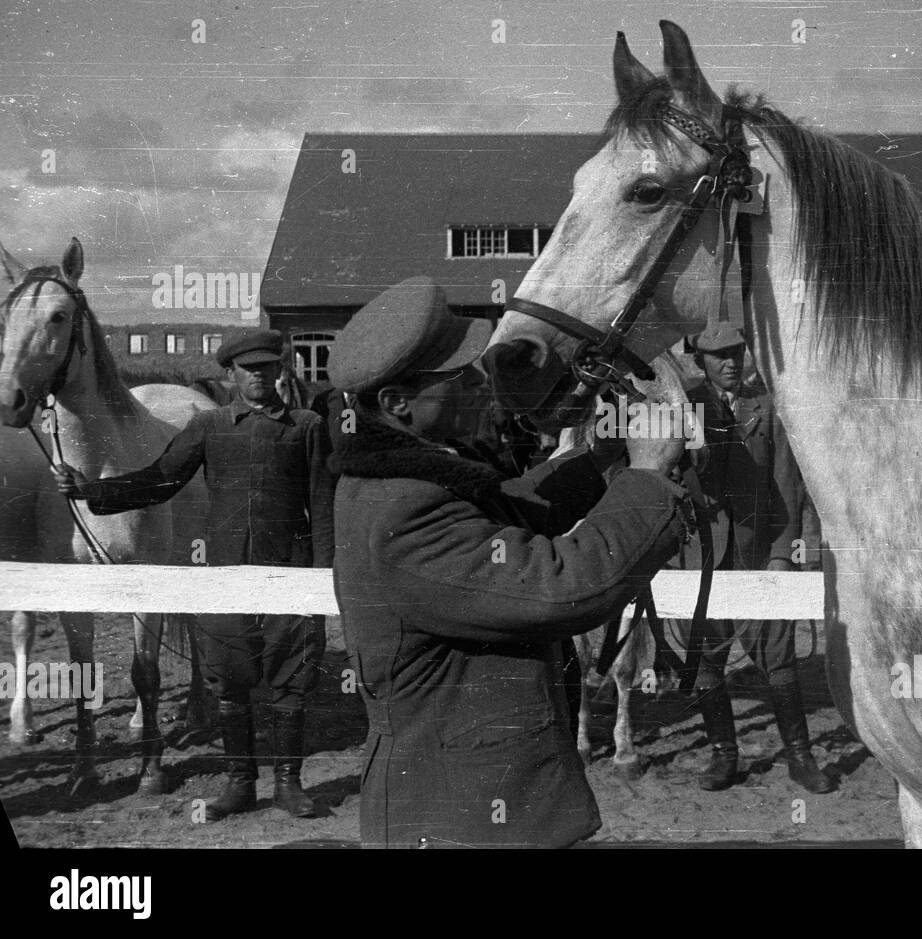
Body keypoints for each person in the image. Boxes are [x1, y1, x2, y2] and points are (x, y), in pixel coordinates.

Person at [327, 277, 691, 848]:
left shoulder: (401, 480)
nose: (480, 383)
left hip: (468, 800)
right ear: (397, 405)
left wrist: (599, 459)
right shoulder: (404, 512)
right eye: (458, 376)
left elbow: (512, 511)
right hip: (464, 819)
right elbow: (564, 587)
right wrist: (645, 478)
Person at [53, 328, 335, 820]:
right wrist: (90, 492)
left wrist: (322, 583)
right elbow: (159, 479)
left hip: (290, 572)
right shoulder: (209, 427)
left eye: (269, 368)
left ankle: (289, 784)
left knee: (291, 680)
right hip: (224, 575)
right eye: (250, 370)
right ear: (229, 375)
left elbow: (325, 508)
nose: (260, 377)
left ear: (280, 372)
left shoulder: (307, 426)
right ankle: (240, 783)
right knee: (231, 680)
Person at [678, 322, 833, 794]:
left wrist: (783, 555)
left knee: (778, 659)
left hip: (757, 557)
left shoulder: (766, 409)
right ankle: (724, 755)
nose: (730, 362)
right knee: (706, 663)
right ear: (699, 359)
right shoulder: (681, 409)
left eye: (737, 352)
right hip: (700, 561)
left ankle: (799, 757)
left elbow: (786, 487)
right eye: (718, 355)